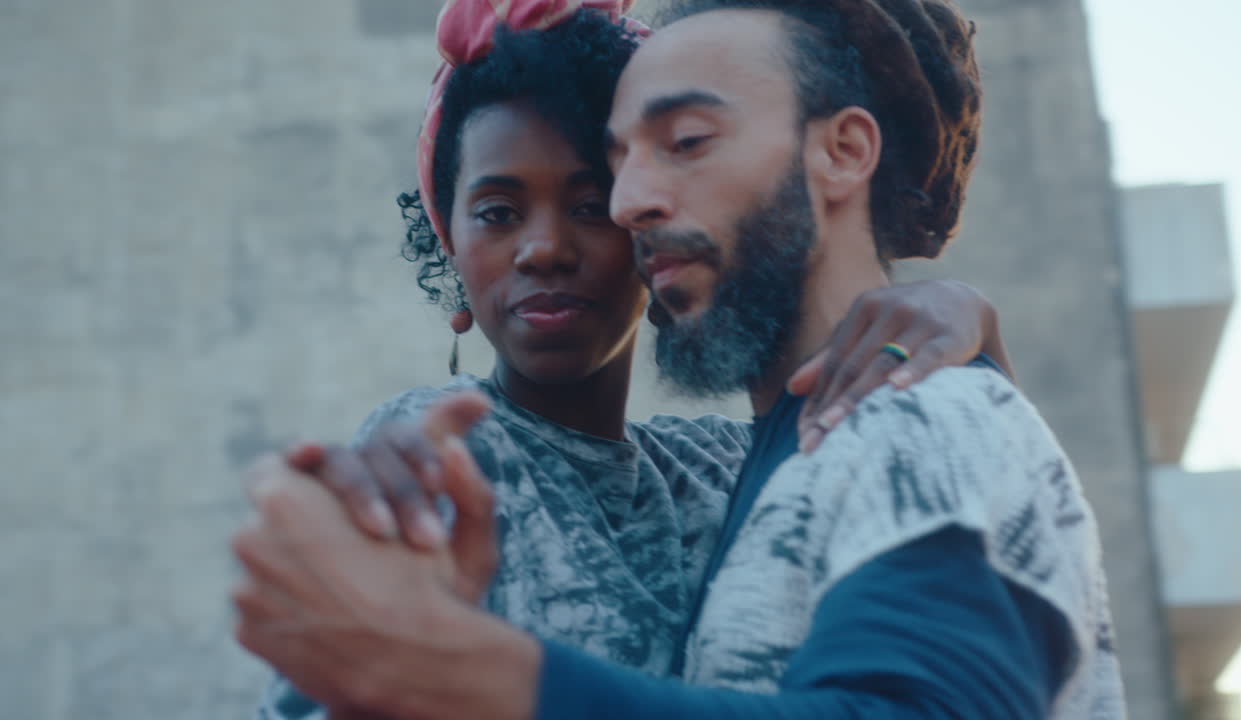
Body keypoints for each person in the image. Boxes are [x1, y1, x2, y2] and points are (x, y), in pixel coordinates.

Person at [231, 1, 1090, 718]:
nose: (551, 245)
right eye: (495, 212)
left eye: (599, 198)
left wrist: (964, 343)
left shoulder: (747, 453)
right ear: (449, 249)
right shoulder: (442, 459)